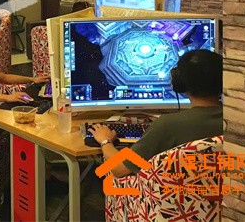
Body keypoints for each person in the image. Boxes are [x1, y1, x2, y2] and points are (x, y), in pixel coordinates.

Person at [89, 49, 223, 177]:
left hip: (163, 192)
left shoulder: (168, 125)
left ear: (179, 82)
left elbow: (119, 169)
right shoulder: (232, 123)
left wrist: (105, 141)